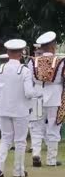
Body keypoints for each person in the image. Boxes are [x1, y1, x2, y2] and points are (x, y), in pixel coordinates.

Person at [0, 39, 42, 177]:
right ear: (21, 54)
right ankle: (18, 171)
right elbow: (28, 92)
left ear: (8, 53)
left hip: (3, 109)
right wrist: (38, 93)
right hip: (20, 110)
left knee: (5, 139)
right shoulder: (24, 71)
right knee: (20, 141)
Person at [28, 31, 63, 167]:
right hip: (55, 96)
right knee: (53, 127)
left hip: (37, 95)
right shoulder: (60, 61)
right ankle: (51, 159)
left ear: (41, 47)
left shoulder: (32, 61)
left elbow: (30, 79)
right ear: (53, 46)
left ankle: (36, 154)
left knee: (37, 126)